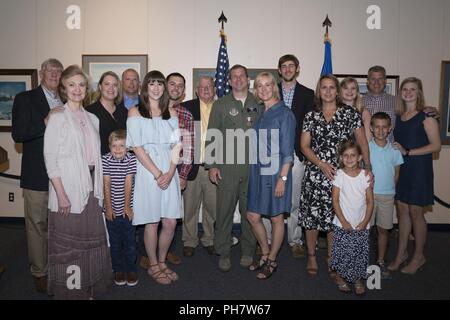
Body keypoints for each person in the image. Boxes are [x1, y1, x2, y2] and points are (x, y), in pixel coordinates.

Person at [44, 65, 111, 299]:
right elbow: (50, 160)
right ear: (63, 88)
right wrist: (61, 195)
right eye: (71, 84)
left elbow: (95, 158)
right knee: (70, 247)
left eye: (81, 84)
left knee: (89, 244)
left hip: (90, 188)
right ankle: (72, 292)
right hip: (68, 189)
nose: (77, 89)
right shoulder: (57, 117)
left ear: (87, 89)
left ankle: (88, 288)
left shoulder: (93, 118)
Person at [299, 74, 371, 276]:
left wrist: (368, 167)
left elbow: (362, 142)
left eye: (332, 87)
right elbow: (304, 146)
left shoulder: (350, 114)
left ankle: (332, 257)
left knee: (335, 218)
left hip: (343, 176)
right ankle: (312, 255)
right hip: (315, 173)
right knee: (311, 219)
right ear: (318, 91)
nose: (328, 91)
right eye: (324, 88)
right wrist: (321, 164)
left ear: (337, 91)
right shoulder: (311, 116)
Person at [11, 58, 64, 293]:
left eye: (58, 71)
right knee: (37, 225)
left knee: (59, 225)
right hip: (37, 175)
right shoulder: (26, 98)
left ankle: (57, 265)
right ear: (42, 73)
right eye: (49, 70)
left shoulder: (67, 99)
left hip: (63, 177)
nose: (54, 74)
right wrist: (45, 121)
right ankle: (39, 271)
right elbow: (19, 135)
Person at [126, 70, 182, 285]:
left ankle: (161, 260)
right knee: (151, 221)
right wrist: (158, 173)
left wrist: (169, 172)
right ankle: (152, 264)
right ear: (145, 87)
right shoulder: (135, 113)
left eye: (160, 84)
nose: (156, 88)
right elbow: (137, 148)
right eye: (152, 84)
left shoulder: (172, 112)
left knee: (169, 222)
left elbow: (177, 145)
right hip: (147, 171)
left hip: (170, 169)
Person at [206, 64, 263, 272]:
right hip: (227, 167)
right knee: (224, 212)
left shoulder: (259, 103)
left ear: (248, 79)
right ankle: (223, 251)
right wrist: (212, 165)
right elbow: (213, 134)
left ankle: (248, 250)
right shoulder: (221, 104)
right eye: (234, 77)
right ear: (229, 81)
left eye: (242, 76)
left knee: (250, 212)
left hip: (252, 168)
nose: (238, 79)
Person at [262, 54, 314, 259]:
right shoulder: (269, 92)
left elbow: (311, 125)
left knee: (294, 200)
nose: (288, 69)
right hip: (272, 155)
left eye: (291, 66)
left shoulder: (308, 94)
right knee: (268, 198)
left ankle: (295, 240)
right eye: (284, 66)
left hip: (296, 153)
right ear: (279, 70)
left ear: (297, 69)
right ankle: (265, 239)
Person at [246, 72, 296, 279]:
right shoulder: (260, 113)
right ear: (256, 90)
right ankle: (265, 253)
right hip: (258, 171)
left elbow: (288, 153)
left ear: (275, 87)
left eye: (268, 85)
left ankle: (272, 259)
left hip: (276, 172)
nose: (264, 89)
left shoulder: (285, 114)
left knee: (276, 218)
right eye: (260, 86)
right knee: (252, 215)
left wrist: (282, 180)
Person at [389, 77, 441, 274]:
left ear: (418, 93)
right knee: (402, 211)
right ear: (401, 93)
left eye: (413, 89)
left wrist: (408, 152)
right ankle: (401, 253)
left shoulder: (426, 116)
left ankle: (418, 256)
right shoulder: (400, 116)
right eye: (405, 89)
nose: (408, 92)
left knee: (415, 213)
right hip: (402, 169)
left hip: (419, 168)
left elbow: (436, 146)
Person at [330, 140, 373, 295]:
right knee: (343, 252)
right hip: (343, 224)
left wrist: (365, 221)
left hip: (361, 224)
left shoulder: (365, 176)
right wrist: (343, 221)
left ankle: (357, 280)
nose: (349, 159)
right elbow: (334, 200)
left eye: (353, 155)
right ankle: (340, 278)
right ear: (341, 158)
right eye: (345, 156)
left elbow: (370, 201)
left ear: (360, 157)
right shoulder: (339, 175)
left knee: (358, 253)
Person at [182, 76, 217, 257]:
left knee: (212, 207)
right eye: (202, 87)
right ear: (196, 90)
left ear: (214, 89)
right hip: (192, 166)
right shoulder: (187, 107)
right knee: (190, 207)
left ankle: (209, 239)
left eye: (209, 87)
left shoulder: (222, 107)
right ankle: (189, 240)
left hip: (213, 167)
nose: (205, 90)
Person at [368, 112, 403, 279]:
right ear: (371, 128)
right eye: (377, 127)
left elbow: (396, 173)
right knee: (367, 230)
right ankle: (365, 262)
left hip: (387, 196)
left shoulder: (395, 149)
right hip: (369, 196)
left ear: (389, 129)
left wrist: (390, 189)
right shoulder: (367, 147)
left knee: (384, 230)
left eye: (384, 127)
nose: (381, 130)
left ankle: (380, 261)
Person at [102, 129, 138, 286]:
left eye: (121, 145)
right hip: (111, 210)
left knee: (129, 242)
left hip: (126, 210)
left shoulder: (131, 159)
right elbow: (106, 183)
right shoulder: (105, 160)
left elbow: (128, 182)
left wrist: (126, 208)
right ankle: (118, 269)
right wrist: (109, 208)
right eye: (114, 145)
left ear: (127, 147)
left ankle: (131, 270)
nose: (117, 149)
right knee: (115, 243)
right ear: (109, 146)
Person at [86, 71, 127, 155]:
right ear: (100, 87)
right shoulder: (89, 112)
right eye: (107, 84)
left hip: (122, 166)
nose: (111, 88)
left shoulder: (124, 111)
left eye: (115, 85)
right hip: (99, 164)